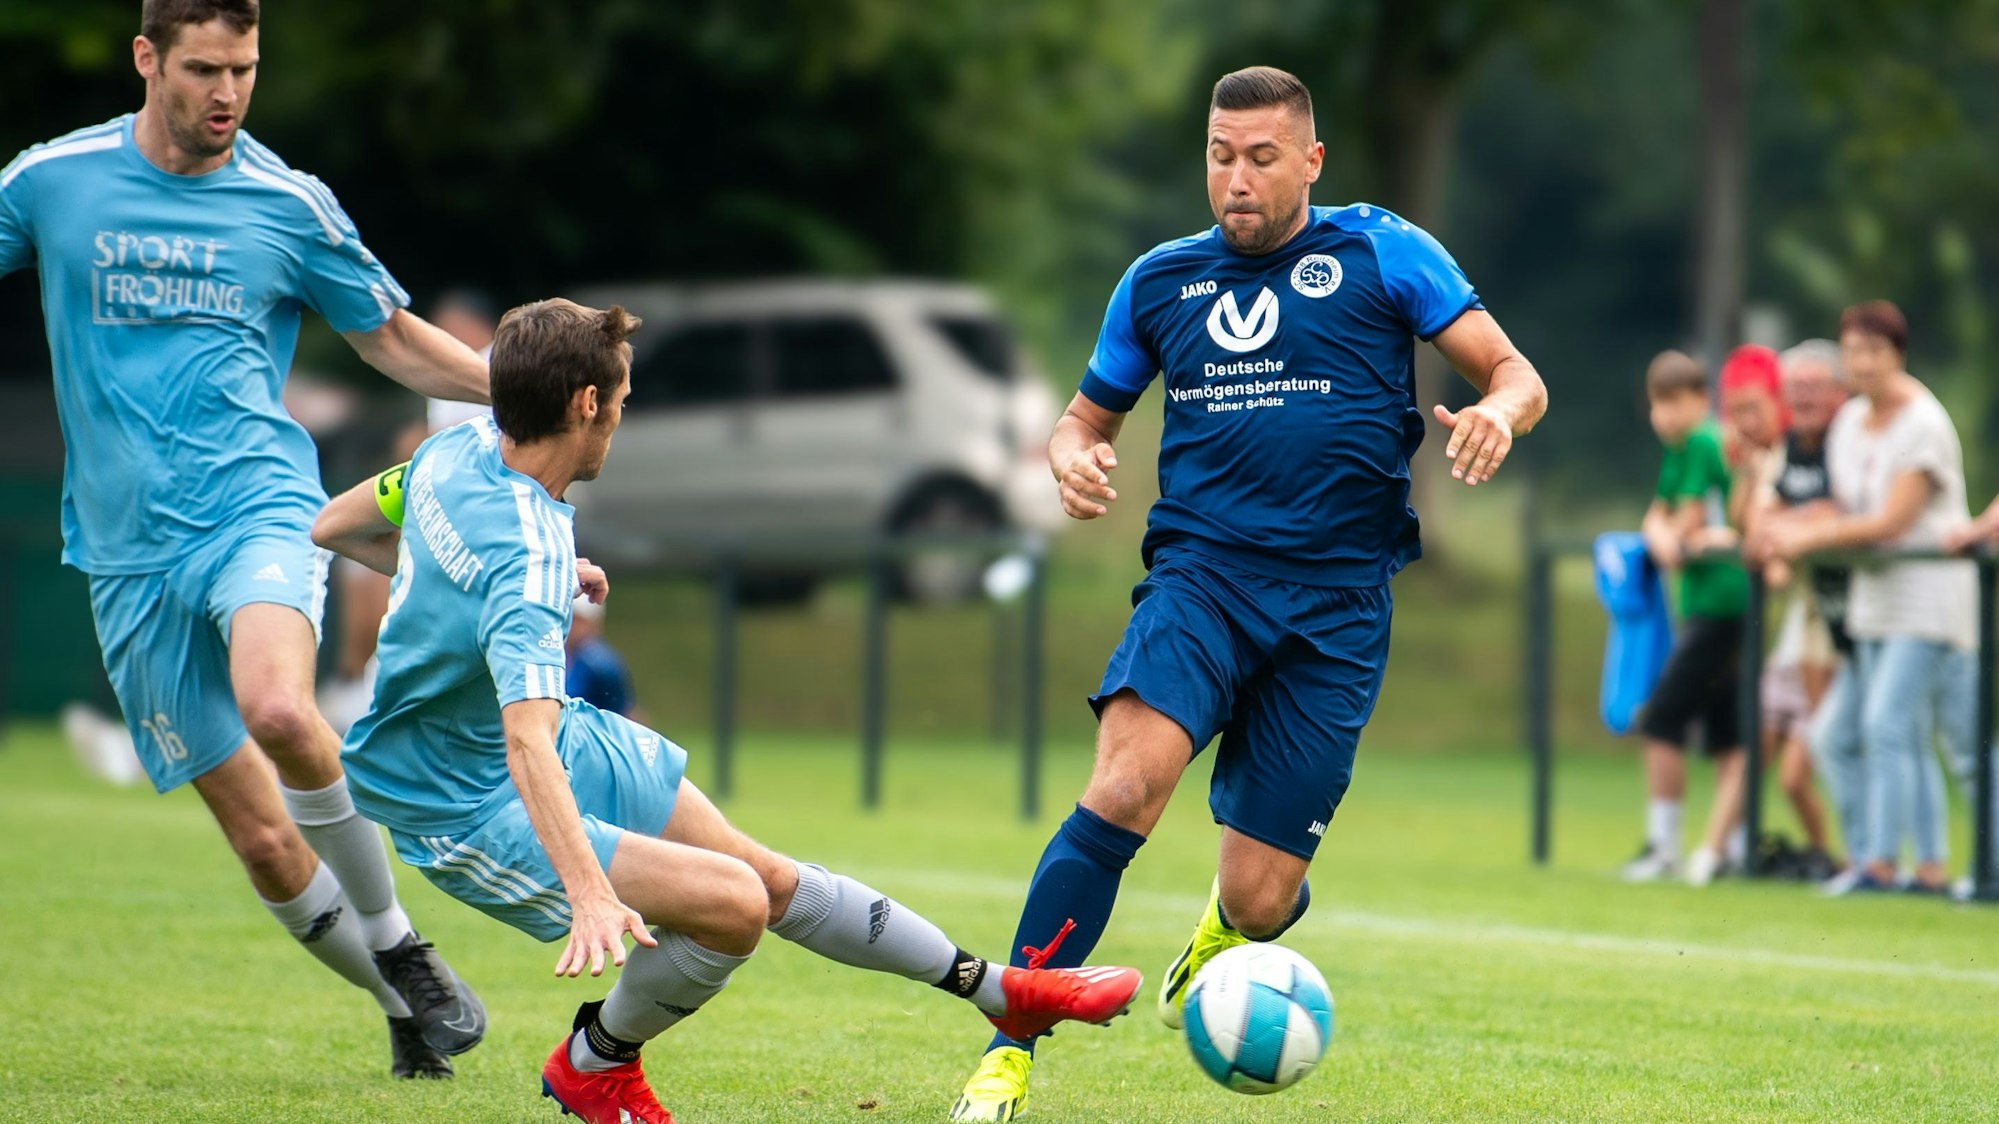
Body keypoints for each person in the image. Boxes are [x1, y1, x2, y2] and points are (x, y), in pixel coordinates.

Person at [312, 298, 1143, 1124]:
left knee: (768, 878)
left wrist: (509, 592)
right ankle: (592, 1066)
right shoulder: (524, 553)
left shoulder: (452, 454)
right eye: (623, 403)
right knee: (732, 907)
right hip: (457, 796)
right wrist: (590, 892)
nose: (621, 422)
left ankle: (1004, 994)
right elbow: (525, 739)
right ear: (585, 404)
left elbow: (337, 525)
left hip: (541, 736)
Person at [948, 66, 1548, 1122]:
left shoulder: (1380, 250)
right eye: (1221, 157)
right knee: (1126, 786)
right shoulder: (1159, 282)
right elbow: (1083, 419)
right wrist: (1072, 456)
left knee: (1264, 896)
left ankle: (1222, 935)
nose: (1237, 179)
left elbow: (1515, 372)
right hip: (1202, 579)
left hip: (1338, 605)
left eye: (1261, 158)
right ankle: (1008, 1048)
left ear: (1309, 161)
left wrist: (1499, 412)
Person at [0, 0, 490, 1079]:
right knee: (264, 840)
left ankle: (401, 943)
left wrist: (521, 388)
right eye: (206, 69)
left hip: (258, 508)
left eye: (248, 69)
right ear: (147, 59)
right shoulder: (50, 182)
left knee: (280, 706)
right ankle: (400, 1000)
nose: (228, 93)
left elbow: (394, 339)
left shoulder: (286, 203)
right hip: (126, 554)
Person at [1763, 301, 1975, 895]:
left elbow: (1889, 522)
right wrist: (1785, 523)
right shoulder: (1851, 421)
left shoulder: (1924, 423)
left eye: (1874, 351)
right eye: (1853, 350)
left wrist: (1806, 535)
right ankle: (1899, 863)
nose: (1862, 362)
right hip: (1872, 600)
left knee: (1896, 728)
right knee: (1842, 734)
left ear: (1898, 355)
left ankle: (1891, 866)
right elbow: (1839, 504)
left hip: (1928, 598)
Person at [322, 289, 502, 733]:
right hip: (443, 515)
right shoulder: (456, 381)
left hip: (479, 529)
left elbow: (454, 452)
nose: (441, 334)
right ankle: (356, 691)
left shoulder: (503, 363)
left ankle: (363, 700)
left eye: (446, 324)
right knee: (351, 554)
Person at [1626, 351, 1750, 886]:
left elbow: (1683, 523)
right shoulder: (1678, 448)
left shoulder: (1701, 440)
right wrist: (1660, 531)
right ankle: (1734, 849)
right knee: (1728, 734)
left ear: (1701, 401)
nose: (1667, 415)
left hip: (1723, 601)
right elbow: (1659, 518)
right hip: (1707, 604)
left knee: (1661, 720)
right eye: (1658, 403)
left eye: (1677, 402)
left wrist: (1663, 534)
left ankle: (1664, 847)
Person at [1739, 340, 1849, 880]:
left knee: (1839, 747)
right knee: (1805, 759)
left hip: (1861, 613)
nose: (1803, 398)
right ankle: (1845, 860)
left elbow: (1847, 508)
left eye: (1814, 387)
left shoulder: (1851, 438)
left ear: (1839, 392)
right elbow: (1760, 522)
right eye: (1795, 388)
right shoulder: (1788, 447)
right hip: (1813, 616)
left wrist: (1789, 530)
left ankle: (1867, 861)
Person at [566, 594, 637, 717]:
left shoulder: (603, 665)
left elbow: (620, 712)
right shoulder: (552, 654)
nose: (571, 625)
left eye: (577, 620)